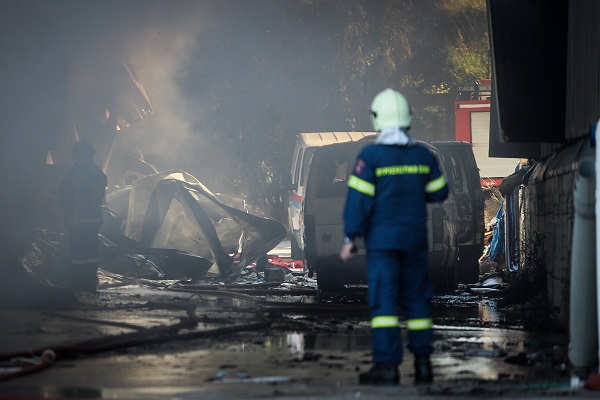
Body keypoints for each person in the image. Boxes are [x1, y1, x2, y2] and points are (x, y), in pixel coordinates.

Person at [339, 88, 449, 385]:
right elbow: (440, 191)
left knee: (384, 303)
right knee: (417, 302)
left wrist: (351, 237)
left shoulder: (370, 156)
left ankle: (387, 367)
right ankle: (424, 365)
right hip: (414, 241)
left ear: (377, 119)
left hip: (382, 244)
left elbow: (358, 201)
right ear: (407, 118)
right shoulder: (423, 155)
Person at [58, 139, 108, 291]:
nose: (79, 158)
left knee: (90, 253)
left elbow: (96, 196)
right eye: (78, 156)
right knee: (77, 254)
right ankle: (79, 281)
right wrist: (67, 209)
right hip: (76, 221)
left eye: (82, 155)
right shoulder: (72, 174)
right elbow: (63, 194)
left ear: (88, 156)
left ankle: (88, 280)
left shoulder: (94, 174)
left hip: (89, 221)